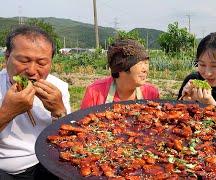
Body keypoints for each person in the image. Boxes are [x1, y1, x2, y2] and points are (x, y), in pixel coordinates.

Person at [0, 26, 71, 179]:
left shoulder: (58, 88)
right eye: (24, 60)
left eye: (41, 63)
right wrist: (7, 112)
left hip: (45, 163)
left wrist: (59, 111)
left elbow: (67, 139)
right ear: (7, 57)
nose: (32, 71)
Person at [81, 39, 159, 109]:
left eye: (146, 63)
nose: (145, 69)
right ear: (122, 68)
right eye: (140, 63)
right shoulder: (95, 92)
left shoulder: (151, 93)